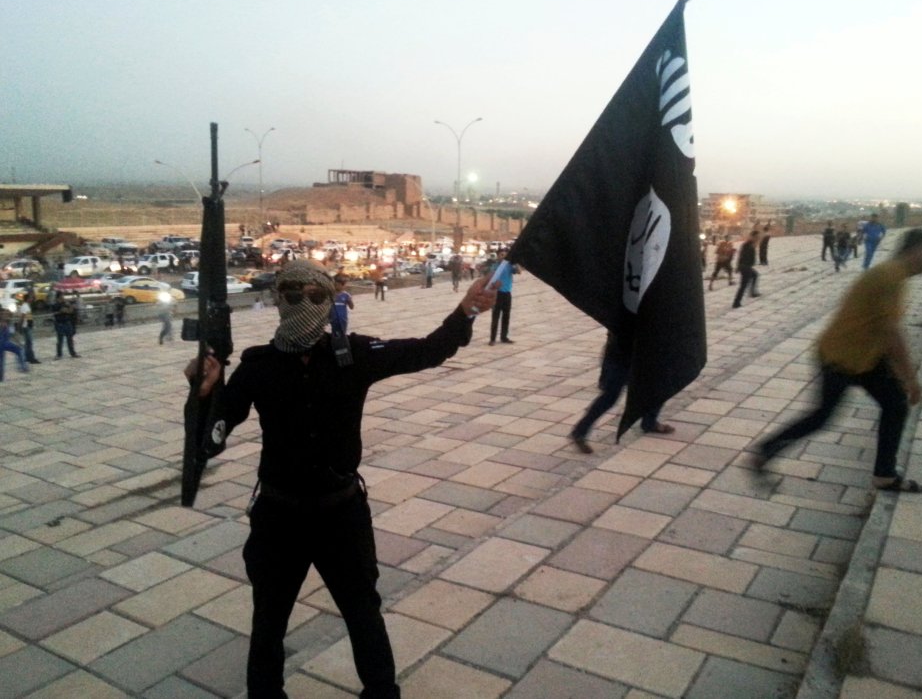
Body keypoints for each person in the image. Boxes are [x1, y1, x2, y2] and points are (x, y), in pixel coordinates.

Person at [184, 260, 497, 699]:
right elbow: (212, 439)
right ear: (279, 300)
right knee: (269, 621)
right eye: (292, 295)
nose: (303, 304)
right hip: (279, 516)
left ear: (330, 301)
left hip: (340, 513)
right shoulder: (258, 366)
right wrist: (203, 395)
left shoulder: (356, 355)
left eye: (316, 296)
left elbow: (427, 350)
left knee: (363, 613)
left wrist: (466, 310)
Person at [755, 227, 922, 493]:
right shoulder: (890, 276)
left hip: (863, 357)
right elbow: (892, 333)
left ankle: (885, 474)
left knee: (895, 405)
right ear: (915, 251)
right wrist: (911, 380)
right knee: (822, 417)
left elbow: (884, 329)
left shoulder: (894, 275)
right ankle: (765, 450)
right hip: (841, 357)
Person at [569, 332, 674, 453]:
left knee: (656, 386)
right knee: (610, 396)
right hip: (624, 354)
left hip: (629, 352)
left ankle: (649, 421)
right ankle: (580, 430)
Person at [489, 249, 519, 345]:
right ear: (498, 256)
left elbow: (518, 271)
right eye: (501, 255)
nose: (503, 256)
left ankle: (504, 337)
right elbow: (490, 278)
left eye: (505, 255)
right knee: (495, 317)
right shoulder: (495, 266)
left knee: (506, 316)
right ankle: (492, 339)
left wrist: (515, 262)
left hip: (507, 294)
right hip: (497, 294)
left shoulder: (509, 265)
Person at [731, 230, 760, 308]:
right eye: (756, 237)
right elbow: (741, 256)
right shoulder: (748, 245)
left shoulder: (750, 244)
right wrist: (738, 266)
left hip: (746, 267)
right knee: (743, 286)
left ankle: (753, 292)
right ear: (752, 237)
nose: (758, 238)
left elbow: (742, 255)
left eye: (758, 237)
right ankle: (736, 303)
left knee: (755, 275)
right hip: (745, 267)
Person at [0, 310, 29, 382]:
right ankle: (1, 378)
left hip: (5, 343)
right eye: (4, 314)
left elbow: (13, 334)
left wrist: (18, 342)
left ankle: (22, 367)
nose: (6, 316)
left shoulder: (9, 324)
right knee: (1, 361)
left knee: (19, 349)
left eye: (7, 314)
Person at [50, 291, 80, 359]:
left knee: (70, 339)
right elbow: (64, 311)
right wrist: (66, 308)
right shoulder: (55, 305)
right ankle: (59, 354)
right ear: (59, 297)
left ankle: (72, 353)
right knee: (60, 340)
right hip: (60, 323)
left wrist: (71, 304)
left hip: (67, 322)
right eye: (62, 296)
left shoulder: (65, 303)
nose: (63, 297)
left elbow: (70, 311)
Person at [16, 291, 40, 364]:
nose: (32, 299)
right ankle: (31, 358)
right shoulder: (25, 306)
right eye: (30, 298)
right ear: (27, 299)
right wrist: (19, 327)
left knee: (28, 343)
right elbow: (22, 317)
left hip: (27, 326)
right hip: (26, 327)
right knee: (29, 343)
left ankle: (27, 357)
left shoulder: (27, 306)